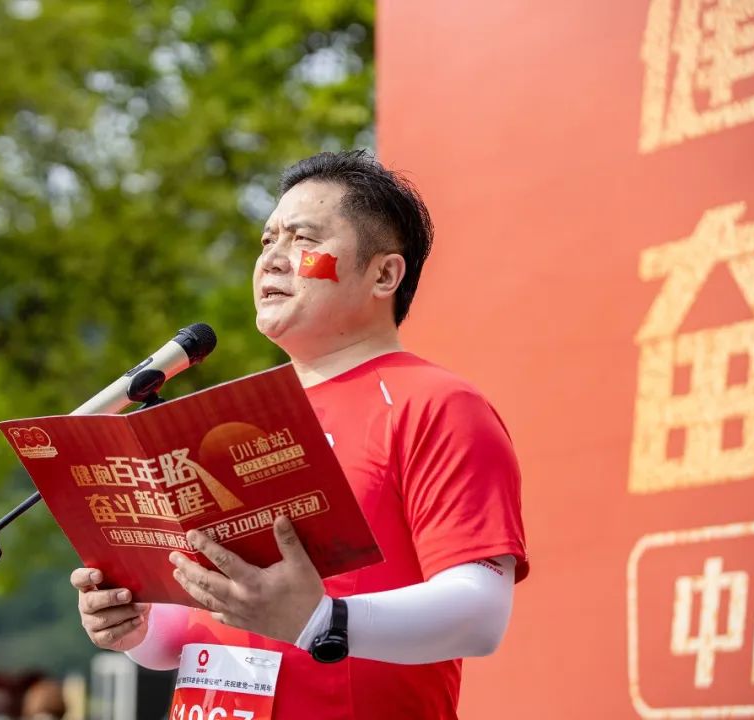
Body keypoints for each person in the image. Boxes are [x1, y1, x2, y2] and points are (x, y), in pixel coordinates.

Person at [70, 150, 529, 719]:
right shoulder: (234, 419)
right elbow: (186, 636)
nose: (272, 259)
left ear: (384, 275)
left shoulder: (436, 405)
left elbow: (479, 614)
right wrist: (134, 624)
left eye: (302, 239)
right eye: (267, 241)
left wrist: (323, 621)